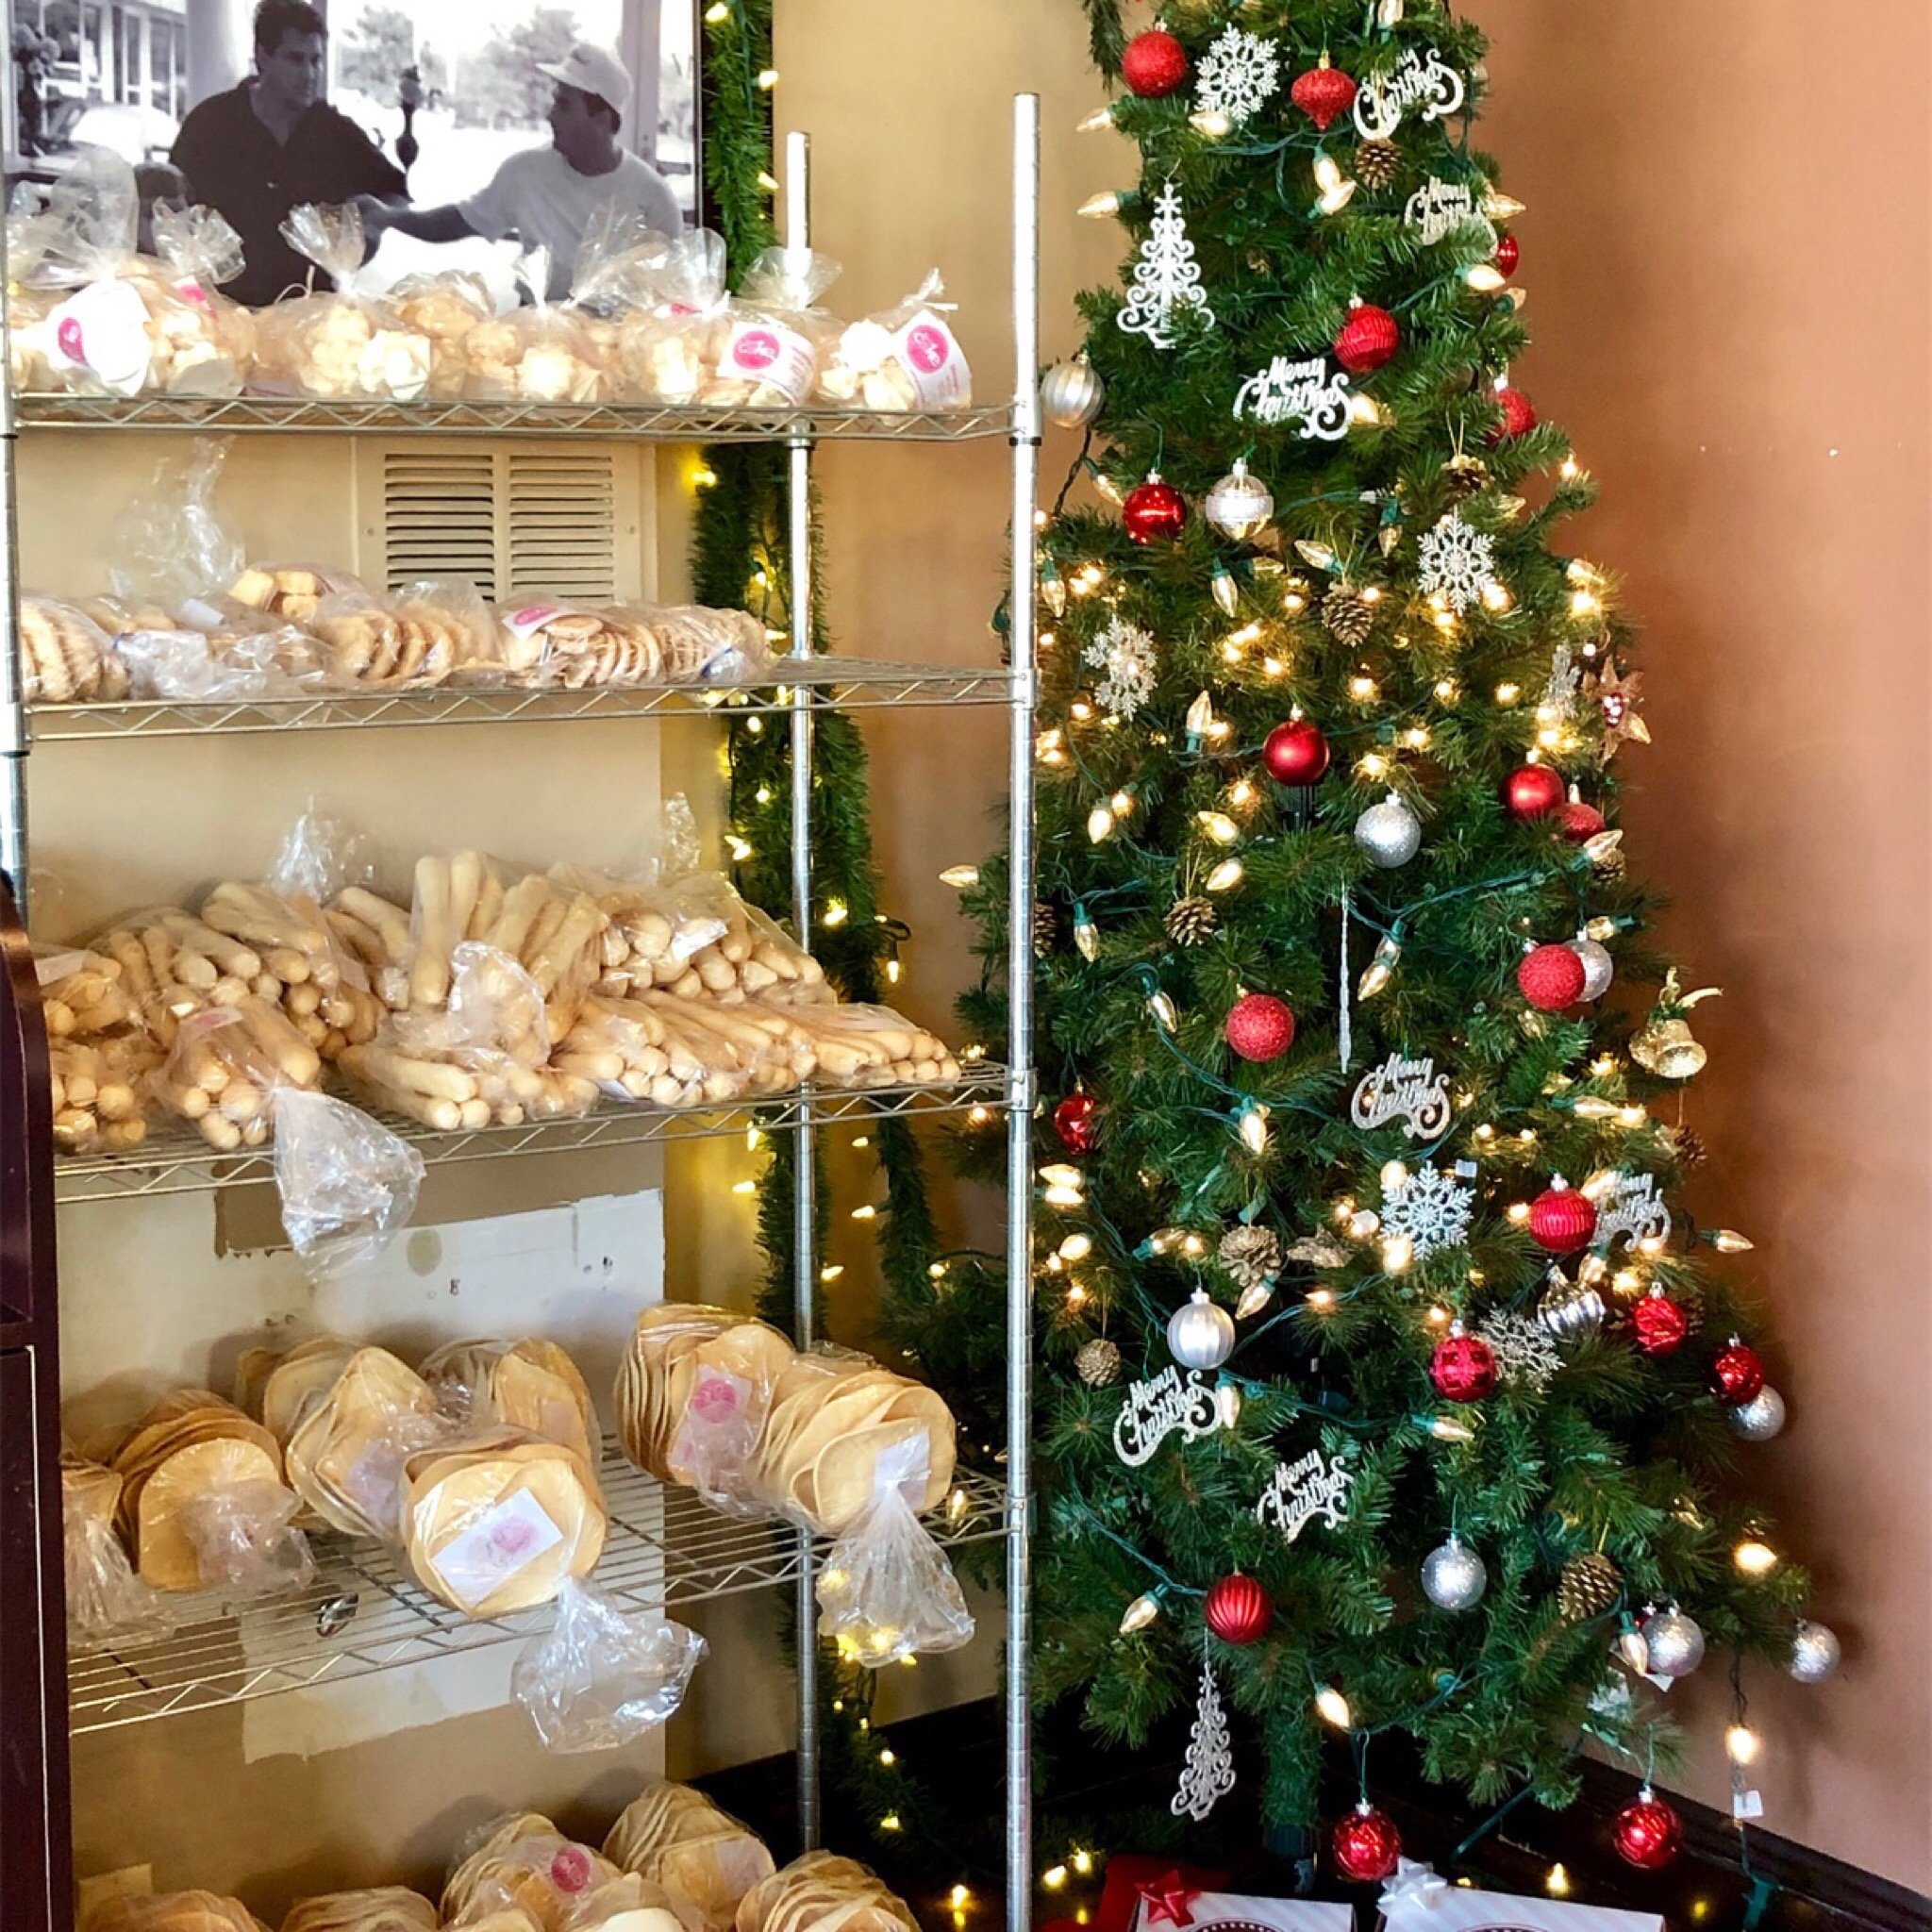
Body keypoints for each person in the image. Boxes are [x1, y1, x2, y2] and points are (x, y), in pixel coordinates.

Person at [357, 45, 681, 300]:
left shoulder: (653, 197)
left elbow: (672, 289)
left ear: (602, 119)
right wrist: (389, 217)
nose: (551, 116)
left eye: (564, 105)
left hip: (614, 349)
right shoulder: (525, 172)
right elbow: (460, 220)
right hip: (533, 339)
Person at [170, 0, 408, 307]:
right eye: (295, 59)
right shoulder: (211, 124)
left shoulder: (335, 133)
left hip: (310, 313)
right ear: (262, 56)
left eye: (316, 60)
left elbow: (395, 192)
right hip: (225, 311)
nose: (309, 74)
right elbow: (169, 203)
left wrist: (371, 230)